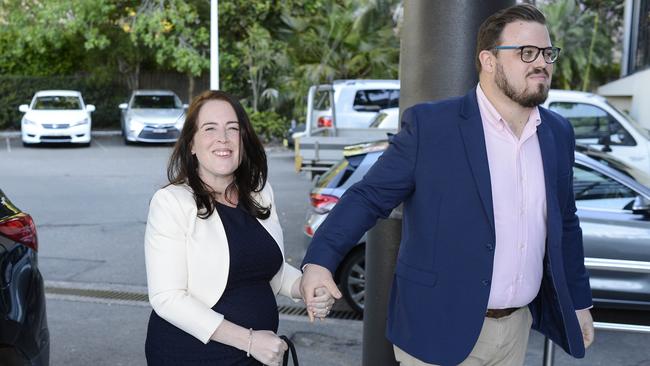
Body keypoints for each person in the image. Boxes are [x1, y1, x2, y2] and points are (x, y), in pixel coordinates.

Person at [300, 4, 594, 366]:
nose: (542, 63)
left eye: (547, 53)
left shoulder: (557, 133)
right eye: (526, 53)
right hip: (436, 332)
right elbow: (368, 196)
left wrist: (579, 302)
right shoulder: (432, 127)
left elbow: (566, 221)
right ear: (488, 60)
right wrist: (319, 262)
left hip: (517, 330)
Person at [144, 90, 334, 366]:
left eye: (232, 129)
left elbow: (272, 272)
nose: (223, 138)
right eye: (210, 129)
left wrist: (308, 287)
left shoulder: (259, 193)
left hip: (260, 353)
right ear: (191, 144)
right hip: (193, 355)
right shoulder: (171, 201)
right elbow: (167, 298)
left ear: (243, 140)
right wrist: (249, 340)